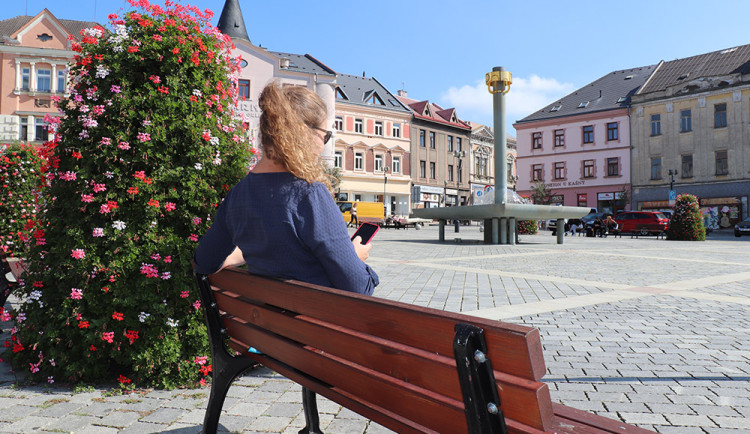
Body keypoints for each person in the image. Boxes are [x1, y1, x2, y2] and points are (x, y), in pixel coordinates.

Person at [194, 82, 378, 295]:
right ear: (303, 133)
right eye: (325, 136)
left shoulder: (239, 194)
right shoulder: (309, 195)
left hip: (261, 324)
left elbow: (204, 262)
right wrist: (355, 256)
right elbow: (359, 288)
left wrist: (249, 250)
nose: (323, 145)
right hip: (310, 324)